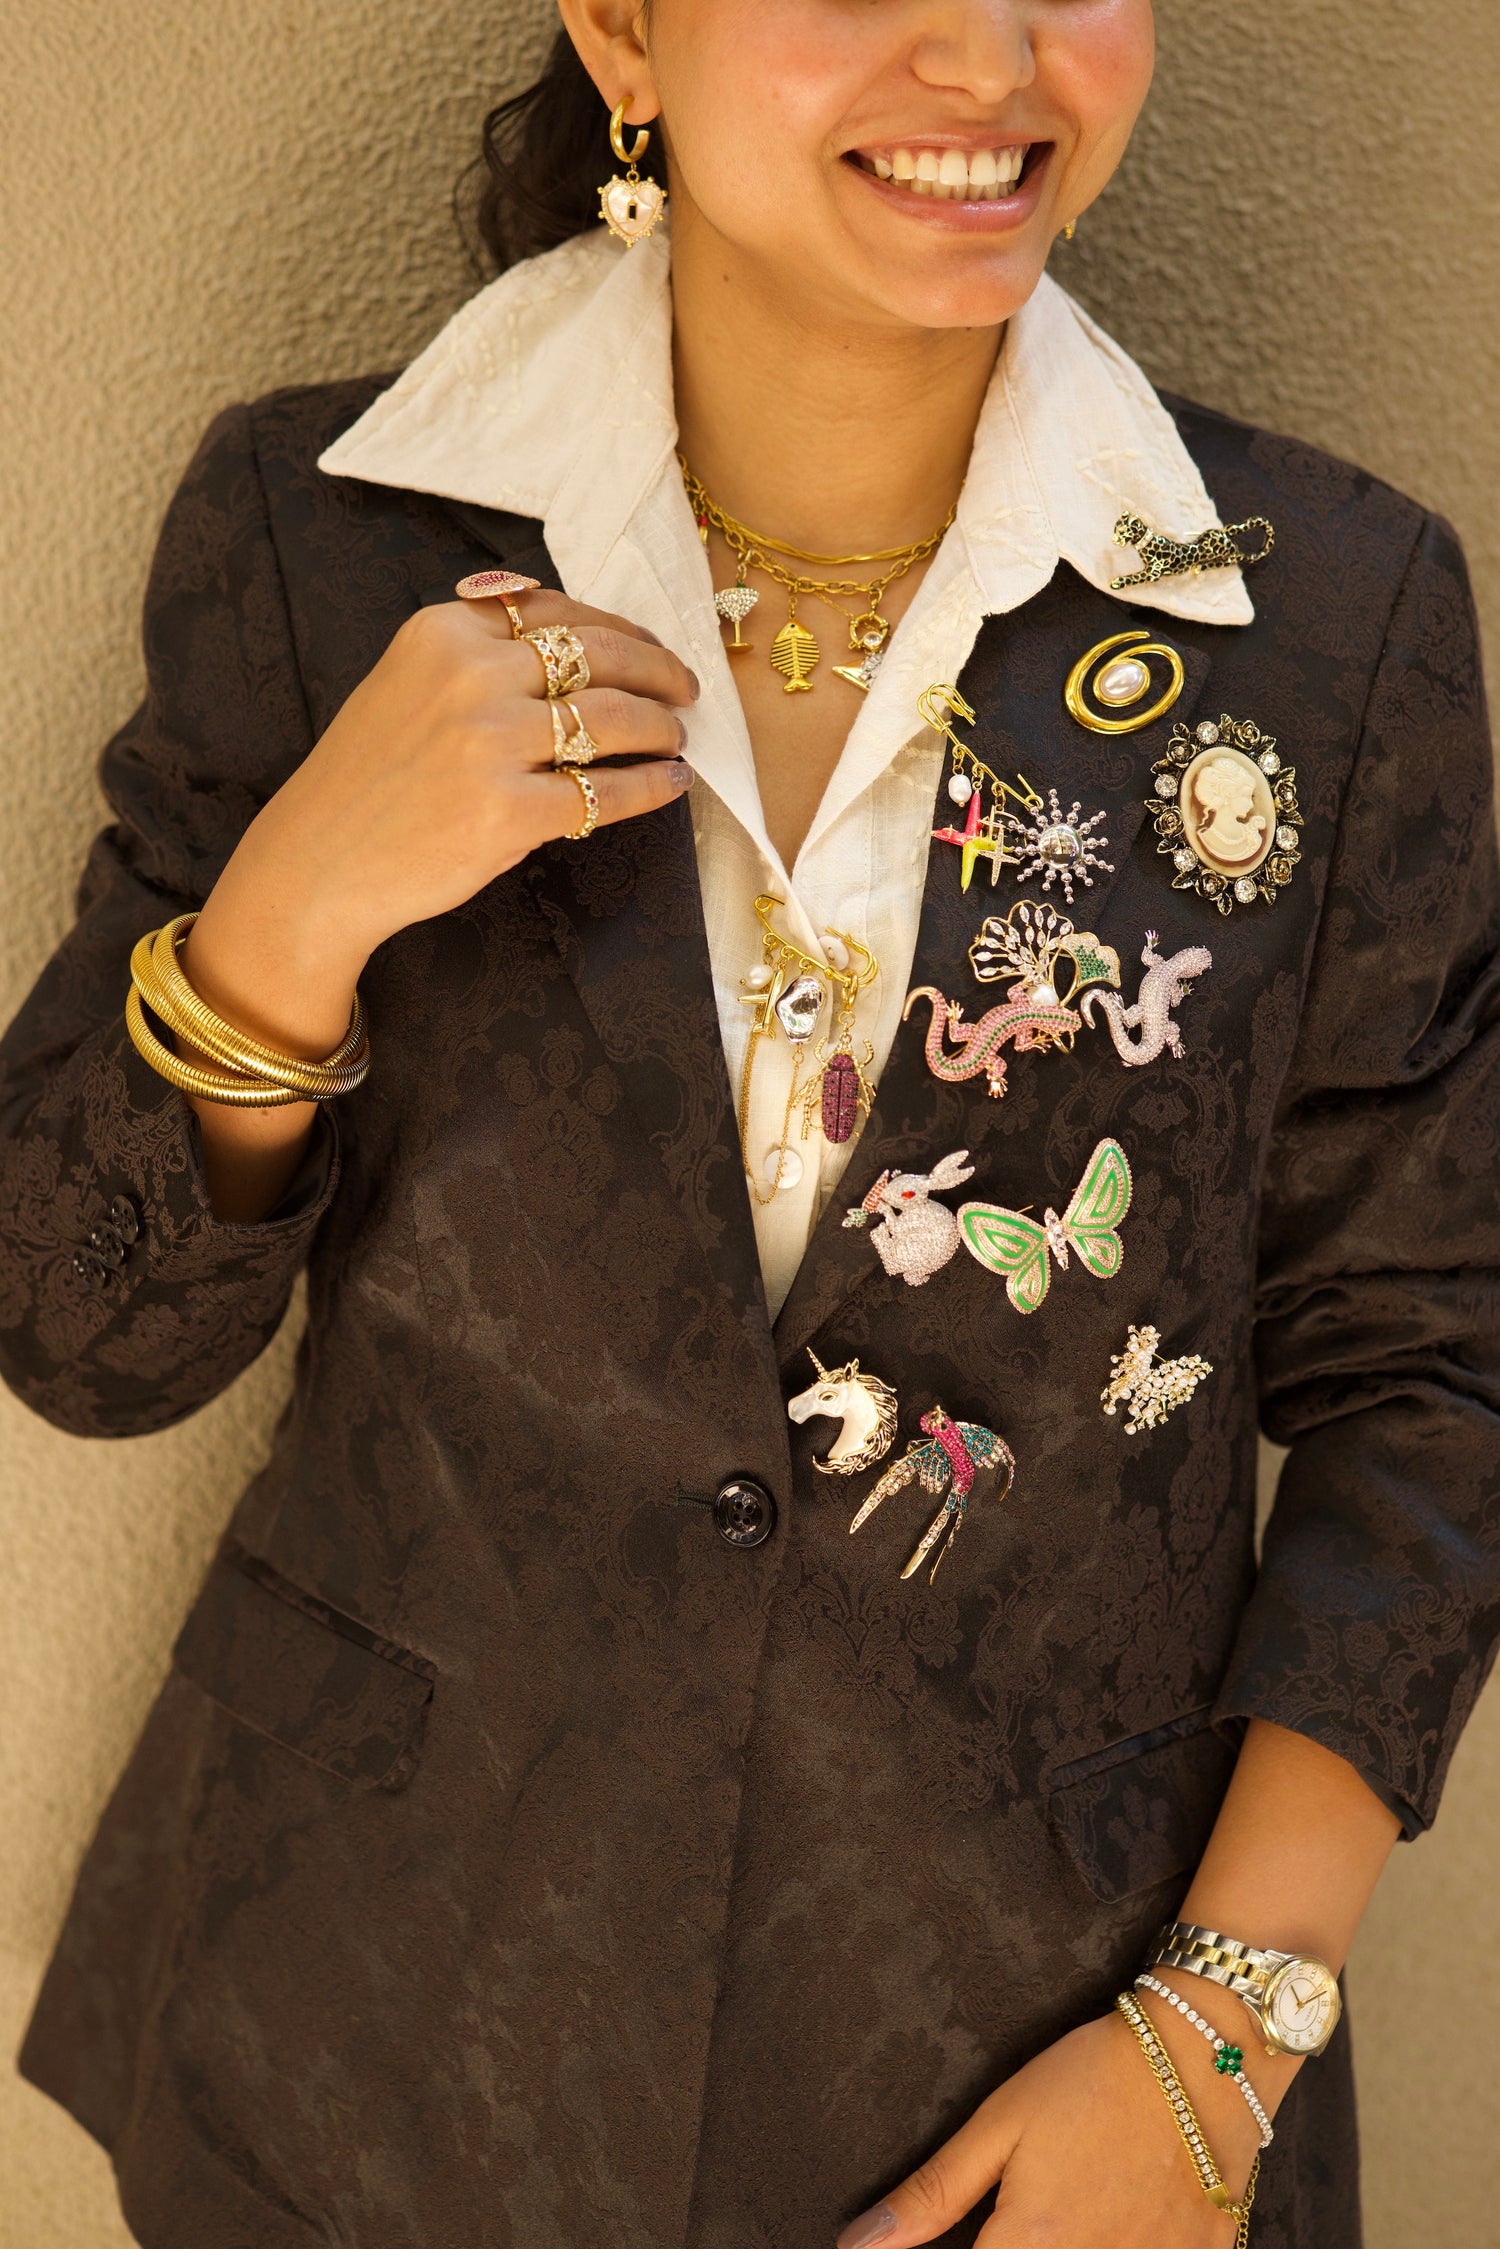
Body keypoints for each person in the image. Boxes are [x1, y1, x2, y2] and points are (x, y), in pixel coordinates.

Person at [3, 2, 1497, 2244]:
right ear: (625, 25)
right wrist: (293, 907)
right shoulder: (324, 546)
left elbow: (1439, 1378)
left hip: (1043, 2084)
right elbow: (78, 1335)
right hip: (368, 2059)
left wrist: (1215, 2049)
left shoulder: (1337, 625)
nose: (983, 54)